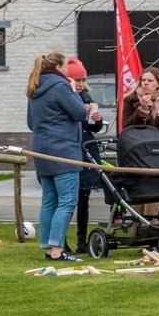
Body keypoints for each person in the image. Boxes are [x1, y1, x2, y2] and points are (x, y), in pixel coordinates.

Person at [26, 51, 89, 262]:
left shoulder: (35, 86)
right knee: (67, 201)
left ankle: (47, 247)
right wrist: (73, 92)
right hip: (63, 152)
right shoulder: (61, 86)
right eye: (65, 68)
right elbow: (80, 113)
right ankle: (57, 249)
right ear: (59, 68)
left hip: (41, 151)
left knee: (49, 201)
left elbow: (30, 122)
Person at [62, 56, 107, 255]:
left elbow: (93, 127)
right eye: (77, 80)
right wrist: (82, 110)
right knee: (67, 200)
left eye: (82, 80)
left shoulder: (87, 97)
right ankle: (61, 240)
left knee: (84, 199)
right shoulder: (66, 96)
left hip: (87, 149)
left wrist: (96, 119)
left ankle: (82, 241)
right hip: (72, 150)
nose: (80, 84)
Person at [119, 67, 159, 139]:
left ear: (158, 84)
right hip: (139, 146)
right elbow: (126, 127)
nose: (145, 83)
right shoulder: (131, 99)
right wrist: (141, 111)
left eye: (150, 80)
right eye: (143, 80)